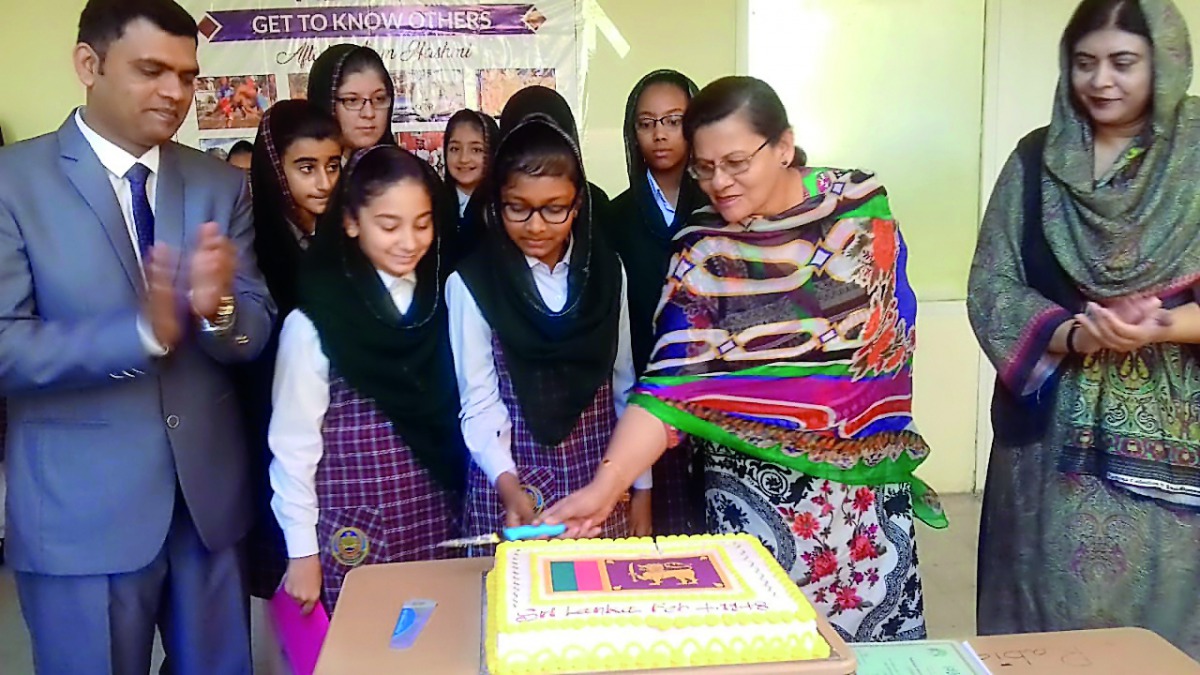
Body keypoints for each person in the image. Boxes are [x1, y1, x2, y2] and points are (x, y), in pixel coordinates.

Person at [542, 76, 943, 643]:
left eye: (735, 163)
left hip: (860, 494)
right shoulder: (706, 252)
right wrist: (606, 488)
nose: (719, 183)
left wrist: (792, 386)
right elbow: (669, 388)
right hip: (749, 489)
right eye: (705, 168)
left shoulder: (860, 216)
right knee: (763, 642)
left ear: (784, 146)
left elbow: (880, 347)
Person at [0, 1, 275, 672]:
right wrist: (141, 333)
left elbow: (254, 326)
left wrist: (216, 311)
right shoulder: (13, 183)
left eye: (187, 75)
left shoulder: (219, 185)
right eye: (151, 70)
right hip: (79, 515)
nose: (175, 92)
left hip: (206, 509)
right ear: (88, 64)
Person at [968, 0, 1200, 657]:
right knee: (1045, 615)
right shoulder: (1035, 159)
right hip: (1050, 443)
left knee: (1161, 624)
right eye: (1084, 62)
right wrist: (1075, 334)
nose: (1101, 81)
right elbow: (992, 284)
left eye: (1123, 63)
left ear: (1165, 63)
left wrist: (1162, 325)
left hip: (1176, 437)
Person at [447, 88, 652, 544]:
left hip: (599, 485)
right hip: (508, 484)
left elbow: (626, 385)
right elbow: (479, 401)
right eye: (518, 209)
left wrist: (641, 488)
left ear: (577, 204)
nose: (536, 226)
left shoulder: (608, 272)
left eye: (554, 209)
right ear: (496, 203)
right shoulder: (472, 282)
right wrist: (508, 485)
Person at [269, 145, 467, 615]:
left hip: (436, 518)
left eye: (422, 224)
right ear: (351, 222)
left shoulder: (441, 304)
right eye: (389, 226)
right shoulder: (315, 324)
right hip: (357, 533)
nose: (409, 242)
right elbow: (294, 448)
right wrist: (302, 552)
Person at [239, 100, 343, 600]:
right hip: (269, 428)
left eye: (333, 165)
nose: (323, 182)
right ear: (275, 169)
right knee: (290, 582)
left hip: (334, 434)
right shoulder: (256, 246)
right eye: (305, 168)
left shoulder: (342, 236)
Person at [611, 70, 710, 536]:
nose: (660, 133)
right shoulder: (615, 216)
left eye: (673, 120)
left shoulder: (721, 206)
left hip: (716, 394)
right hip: (652, 394)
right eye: (647, 122)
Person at [308, 44, 397, 153]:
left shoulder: (404, 163)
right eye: (352, 100)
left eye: (379, 99)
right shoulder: (296, 161)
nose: (369, 114)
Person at [443, 109, 499, 259]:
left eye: (476, 150)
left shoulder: (501, 208)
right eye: (455, 149)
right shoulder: (434, 202)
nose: (464, 159)